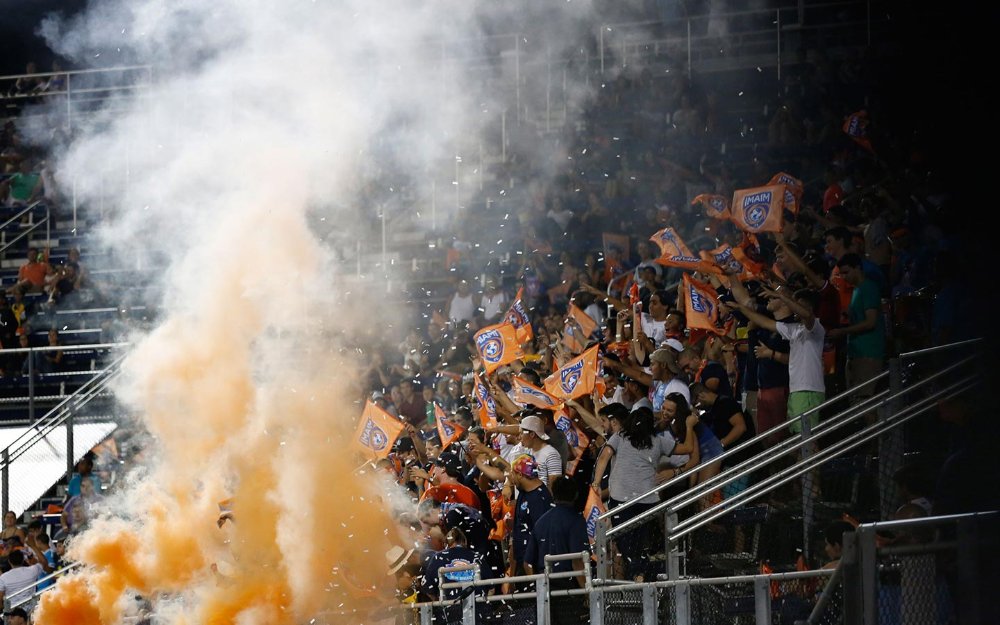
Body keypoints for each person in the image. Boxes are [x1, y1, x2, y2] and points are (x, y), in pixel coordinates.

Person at [591, 406, 696, 581]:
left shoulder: (620, 437)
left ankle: (637, 577)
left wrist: (596, 482)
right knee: (639, 544)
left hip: (621, 501)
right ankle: (639, 576)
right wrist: (690, 426)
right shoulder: (658, 440)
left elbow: (604, 455)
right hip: (647, 502)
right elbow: (688, 448)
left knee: (626, 544)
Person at [525, 476, 590, 625]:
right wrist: (587, 592)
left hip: (544, 587)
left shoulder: (540, 522)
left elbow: (527, 563)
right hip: (568, 588)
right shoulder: (576, 520)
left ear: (553, 494)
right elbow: (577, 561)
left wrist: (538, 588)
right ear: (575, 495)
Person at [828, 253, 886, 421]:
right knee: (857, 401)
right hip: (855, 352)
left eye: (846, 272)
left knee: (865, 400)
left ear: (858, 268)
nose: (844, 277)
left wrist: (842, 332)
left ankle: (876, 443)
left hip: (868, 352)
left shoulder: (868, 287)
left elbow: (870, 322)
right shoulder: (857, 290)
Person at [506, 454, 553, 577]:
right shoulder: (523, 491)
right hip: (521, 560)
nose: (512, 479)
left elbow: (541, 537)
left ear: (520, 475)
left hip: (534, 566)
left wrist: (531, 572)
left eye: (513, 475)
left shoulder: (540, 499)